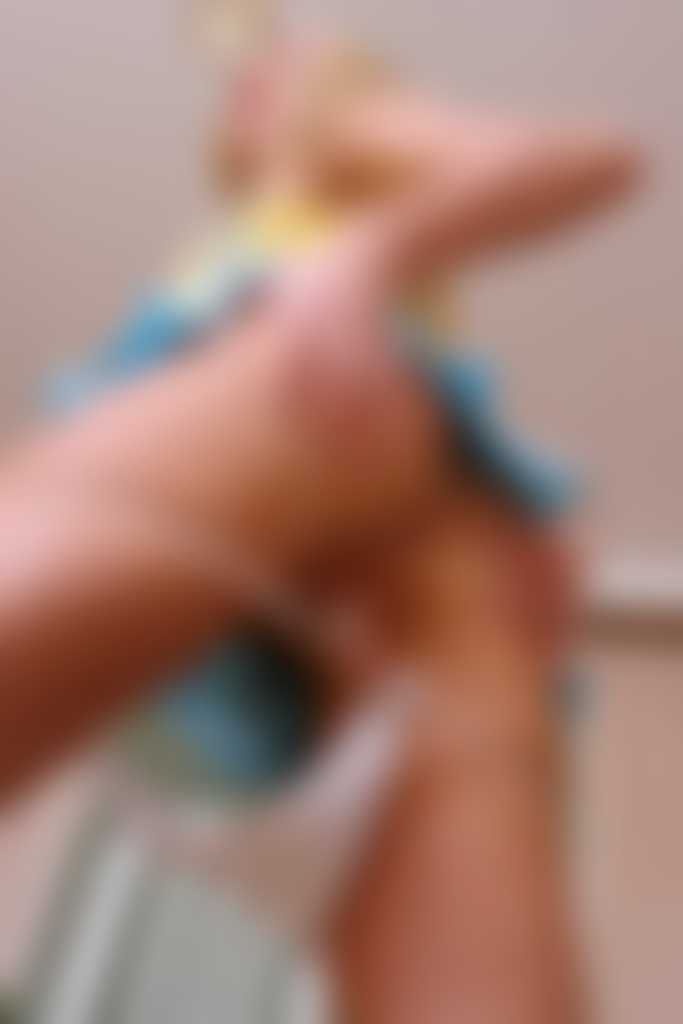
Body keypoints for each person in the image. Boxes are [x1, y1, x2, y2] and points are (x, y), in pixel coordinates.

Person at [0, 37, 641, 1022]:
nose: (247, 79)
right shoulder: (283, 199)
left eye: (275, 64)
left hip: (318, 419)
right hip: (443, 565)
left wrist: (364, 259)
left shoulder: (336, 130)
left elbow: (591, 157)